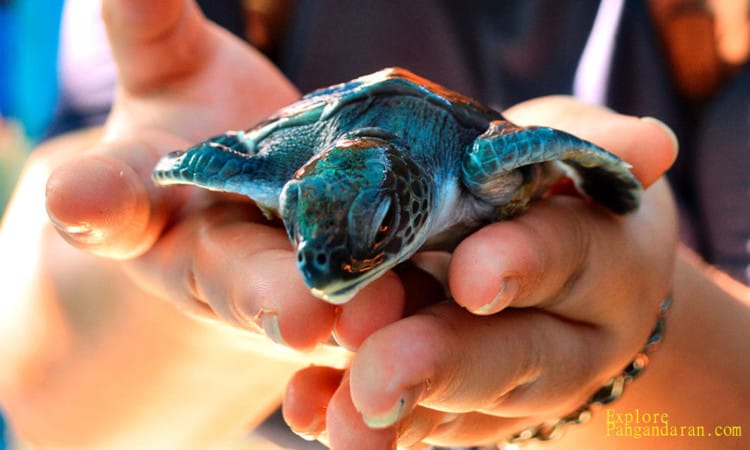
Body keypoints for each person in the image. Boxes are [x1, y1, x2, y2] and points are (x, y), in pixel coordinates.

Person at [0, 1, 747, 450]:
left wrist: (647, 321)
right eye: (299, 225)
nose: (326, 266)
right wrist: (159, 237)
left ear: (416, 200)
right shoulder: (280, 165)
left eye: (378, 229)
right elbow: (41, 398)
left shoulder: (478, 162)